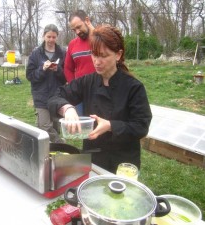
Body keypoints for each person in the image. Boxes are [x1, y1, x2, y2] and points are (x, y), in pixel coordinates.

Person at [48, 24, 152, 173]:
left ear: (118, 55)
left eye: (103, 56)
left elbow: (141, 126)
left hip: (123, 161)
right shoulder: (87, 82)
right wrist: (68, 108)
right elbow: (54, 96)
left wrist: (111, 125)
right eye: (94, 54)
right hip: (93, 157)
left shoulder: (133, 87)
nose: (96, 61)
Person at [26, 24, 66, 143]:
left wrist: (58, 70)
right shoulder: (36, 54)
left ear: (57, 37)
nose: (51, 40)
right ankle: (61, 143)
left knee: (55, 127)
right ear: (43, 36)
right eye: (48, 37)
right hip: (40, 96)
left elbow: (66, 77)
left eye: (54, 37)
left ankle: (52, 154)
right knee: (44, 126)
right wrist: (42, 69)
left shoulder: (62, 53)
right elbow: (30, 76)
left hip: (57, 95)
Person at [64, 10, 96, 115]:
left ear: (87, 20)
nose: (77, 32)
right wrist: (74, 87)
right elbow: (68, 68)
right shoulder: (73, 44)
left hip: (100, 92)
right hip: (80, 94)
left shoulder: (101, 39)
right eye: (74, 30)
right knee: (81, 127)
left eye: (79, 27)